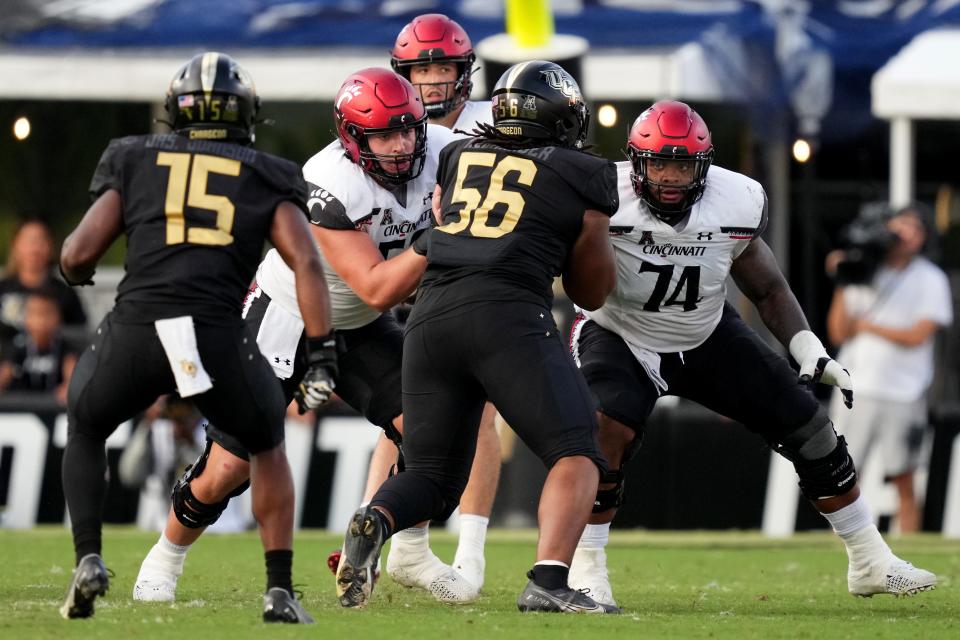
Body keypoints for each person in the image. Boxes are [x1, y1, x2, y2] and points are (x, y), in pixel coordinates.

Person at [565, 100, 938, 609]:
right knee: (605, 428)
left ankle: (870, 560)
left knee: (810, 429)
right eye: (659, 164)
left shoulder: (736, 199)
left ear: (706, 165)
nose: (671, 178)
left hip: (705, 331)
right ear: (635, 162)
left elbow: (767, 287)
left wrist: (808, 348)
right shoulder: (600, 192)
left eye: (683, 165)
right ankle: (587, 568)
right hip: (620, 332)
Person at [133, 67, 481, 604]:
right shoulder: (328, 182)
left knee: (428, 429)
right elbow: (376, 288)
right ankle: (166, 555)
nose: (401, 145)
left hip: (359, 327)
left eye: (409, 129)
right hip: (289, 315)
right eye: (385, 135)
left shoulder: (444, 148)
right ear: (351, 138)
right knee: (231, 463)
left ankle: (411, 552)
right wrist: (441, 234)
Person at [57, 51, 336, 624]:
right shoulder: (264, 170)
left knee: (86, 424)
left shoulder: (134, 156)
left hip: (139, 328)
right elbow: (304, 260)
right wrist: (324, 352)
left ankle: (89, 557)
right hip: (211, 337)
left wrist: (75, 274)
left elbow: (77, 253)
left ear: (175, 111)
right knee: (265, 443)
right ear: (246, 113)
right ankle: (279, 588)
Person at [335, 60, 621, 614]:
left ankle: (377, 516)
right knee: (579, 451)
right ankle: (549, 580)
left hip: (429, 316)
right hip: (508, 315)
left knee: (430, 475)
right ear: (564, 120)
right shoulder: (582, 171)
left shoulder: (458, 155)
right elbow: (591, 291)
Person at [826, 204, 952, 533]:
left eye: (915, 228)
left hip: (904, 392)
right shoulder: (865, 270)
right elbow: (838, 331)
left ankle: (908, 547)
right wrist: (844, 277)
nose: (907, 235)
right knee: (846, 475)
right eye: (901, 227)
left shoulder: (931, 278)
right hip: (856, 388)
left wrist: (867, 326)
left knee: (905, 477)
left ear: (925, 237)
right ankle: (847, 547)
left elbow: (918, 335)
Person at [0, 219, 87, 344]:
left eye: (40, 241)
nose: (34, 249)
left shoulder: (64, 293)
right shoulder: (3, 289)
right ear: (15, 245)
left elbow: (79, 335)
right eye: (29, 241)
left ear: (51, 247)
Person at [0, 287, 78, 403]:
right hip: (22, 412)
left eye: (47, 313)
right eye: (35, 313)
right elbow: (5, 374)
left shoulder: (64, 347)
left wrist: (69, 388)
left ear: (59, 317)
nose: (41, 320)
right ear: (26, 317)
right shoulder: (17, 348)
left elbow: (72, 378)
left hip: (54, 410)